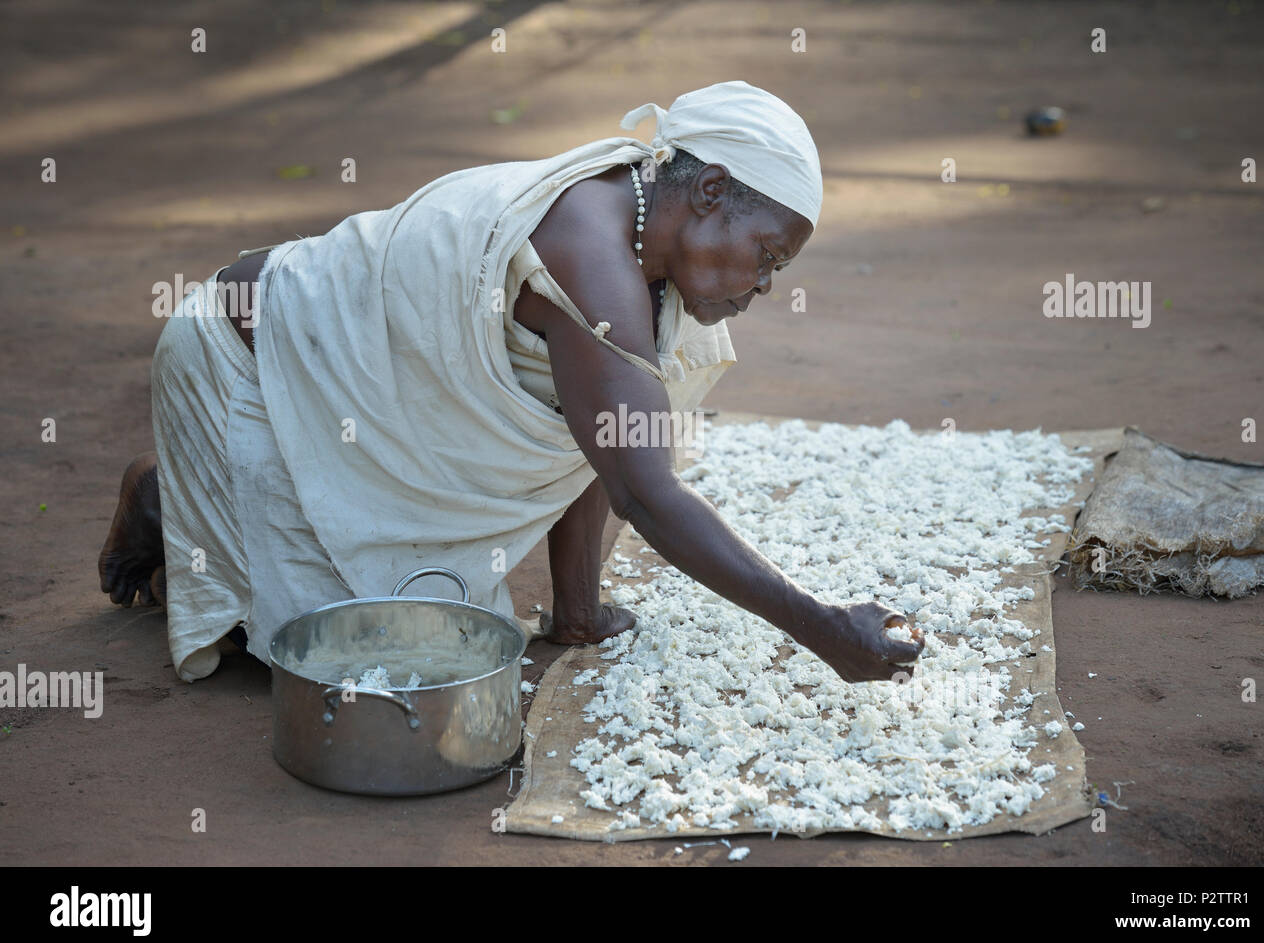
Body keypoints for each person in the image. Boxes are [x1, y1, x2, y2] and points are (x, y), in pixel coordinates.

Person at [98, 80, 924, 684]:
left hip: (354, 405)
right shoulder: (590, 258)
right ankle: (166, 503)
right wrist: (822, 630)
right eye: (769, 255)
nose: (766, 287)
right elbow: (644, 491)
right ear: (709, 190)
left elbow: (591, 440)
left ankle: (217, 519)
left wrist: (579, 615)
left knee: (421, 637)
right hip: (250, 370)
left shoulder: (645, 260)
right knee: (339, 665)